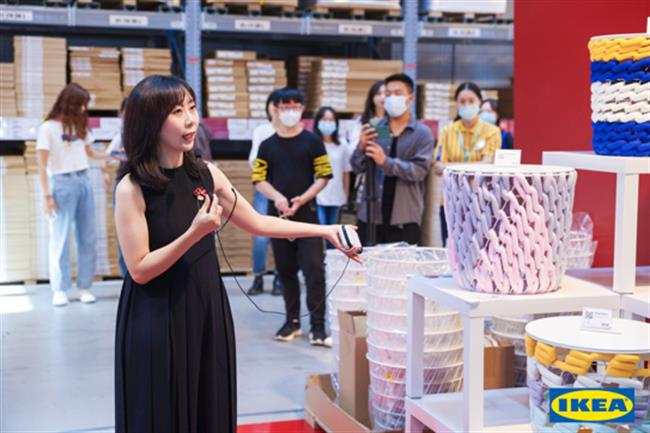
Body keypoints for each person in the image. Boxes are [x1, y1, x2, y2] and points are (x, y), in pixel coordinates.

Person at [113, 76, 359, 433]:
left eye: (192, 107)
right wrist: (194, 233)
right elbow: (139, 269)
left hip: (205, 304)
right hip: (157, 315)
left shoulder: (206, 174)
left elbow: (257, 222)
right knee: (162, 410)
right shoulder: (132, 187)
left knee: (207, 404)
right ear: (150, 122)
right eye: (177, 112)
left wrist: (325, 231)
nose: (190, 120)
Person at [253, 88, 333, 346]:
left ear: (302, 109)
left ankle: (318, 326)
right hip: (278, 218)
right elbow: (259, 179)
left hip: (307, 216)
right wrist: (277, 197)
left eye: (295, 106)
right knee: (285, 270)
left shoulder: (313, 142)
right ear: (275, 109)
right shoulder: (267, 145)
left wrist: (303, 198)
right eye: (285, 106)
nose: (290, 110)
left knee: (314, 271)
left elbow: (323, 176)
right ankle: (292, 321)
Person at [37, 83, 109, 307]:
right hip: (61, 182)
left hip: (84, 180)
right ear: (69, 103)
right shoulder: (47, 128)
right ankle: (59, 288)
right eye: (81, 104)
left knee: (87, 235)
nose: (84, 109)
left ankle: (85, 286)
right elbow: (41, 165)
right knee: (60, 237)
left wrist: (111, 154)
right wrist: (46, 196)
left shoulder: (80, 126)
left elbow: (90, 153)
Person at [351, 73, 434, 245]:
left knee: (404, 262)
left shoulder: (422, 133)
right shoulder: (376, 129)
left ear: (410, 99)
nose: (391, 98)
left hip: (404, 218)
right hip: (372, 216)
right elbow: (357, 167)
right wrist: (361, 147)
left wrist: (385, 162)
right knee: (367, 260)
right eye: (388, 94)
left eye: (398, 93)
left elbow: (419, 172)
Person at [434, 82, 502, 246]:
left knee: (483, 248)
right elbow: (437, 166)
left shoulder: (492, 132)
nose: (467, 105)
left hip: (483, 200)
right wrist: (476, 165)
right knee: (452, 248)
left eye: (471, 101)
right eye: (462, 101)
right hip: (452, 200)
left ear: (480, 102)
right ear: (456, 104)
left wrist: (450, 166)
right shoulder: (447, 131)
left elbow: (488, 164)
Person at [246, 90, 284, 296]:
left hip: (286, 189)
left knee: (282, 234)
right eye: (274, 105)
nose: (278, 109)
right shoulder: (262, 131)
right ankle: (258, 276)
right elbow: (253, 160)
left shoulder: (292, 131)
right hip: (264, 187)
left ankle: (279, 276)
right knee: (260, 235)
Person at [314, 106, 351, 243]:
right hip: (317, 196)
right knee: (321, 230)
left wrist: (346, 194)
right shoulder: (313, 143)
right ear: (318, 122)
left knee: (335, 234)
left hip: (336, 195)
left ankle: (331, 256)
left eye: (331, 120)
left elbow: (346, 171)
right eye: (324, 119)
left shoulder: (342, 145)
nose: (328, 123)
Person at [103, 98, 129, 277]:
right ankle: (126, 277)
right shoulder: (121, 137)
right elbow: (106, 157)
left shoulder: (149, 134)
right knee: (124, 234)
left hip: (144, 184)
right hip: (124, 185)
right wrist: (104, 173)